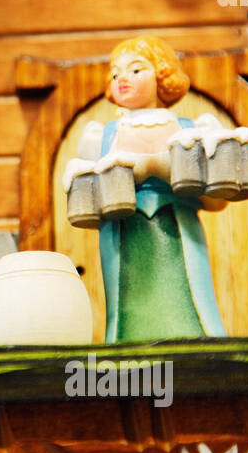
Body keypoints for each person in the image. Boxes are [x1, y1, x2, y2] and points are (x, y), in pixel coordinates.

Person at [73, 36, 230, 342]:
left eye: (135, 70)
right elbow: (87, 202)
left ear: (161, 75)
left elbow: (217, 200)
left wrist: (162, 170)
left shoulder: (191, 129)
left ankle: (197, 346)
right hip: (123, 235)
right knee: (127, 304)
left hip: (178, 230)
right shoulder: (100, 136)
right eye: (116, 73)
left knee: (189, 295)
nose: (123, 79)